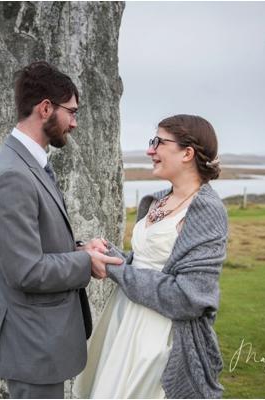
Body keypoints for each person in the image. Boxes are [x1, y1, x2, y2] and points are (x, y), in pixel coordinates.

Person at [0, 61, 124, 399]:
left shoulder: (29, 164)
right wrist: (86, 263)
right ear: (45, 108)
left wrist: (82, 249)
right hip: (33, 344)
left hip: (42, 342)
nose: (74, 122)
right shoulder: (12, 176)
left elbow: (38, 244)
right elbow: (26, 271)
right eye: (71, 111)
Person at [76, 114, 228, 398]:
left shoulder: (206, 211)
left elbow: (189, 297)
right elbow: (147, 262)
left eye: (158, 142)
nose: (150, 150)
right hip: (123, 321)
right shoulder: (158, 200)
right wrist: (104, 253)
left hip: (158, 336)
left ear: (187, 153)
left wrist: (116, 270)